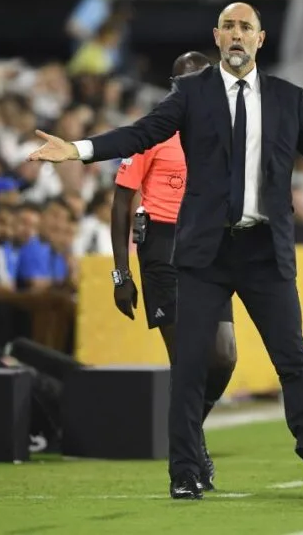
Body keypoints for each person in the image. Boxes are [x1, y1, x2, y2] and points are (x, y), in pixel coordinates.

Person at [28, 2, 303, 500]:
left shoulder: (288, 99)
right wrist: (78, 150)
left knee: (294, 361)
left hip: (264, 252)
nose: (236, 34)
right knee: (190, 365)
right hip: (205, 253)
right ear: (217, 36)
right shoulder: (191, 94)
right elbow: (139, 134)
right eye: (228, 26)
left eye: (245, 27)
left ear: (259, 39)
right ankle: (184, 474)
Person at [110, 50, 237, 491]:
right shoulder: (154, 131)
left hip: (211, 246)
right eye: (186, 81)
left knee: (224, 355)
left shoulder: (225, 132)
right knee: (187, 359)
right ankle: (188, 461)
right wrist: (121, 275)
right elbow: (121, 202)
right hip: (163, 245)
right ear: (173, 86)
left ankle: (188, 433)